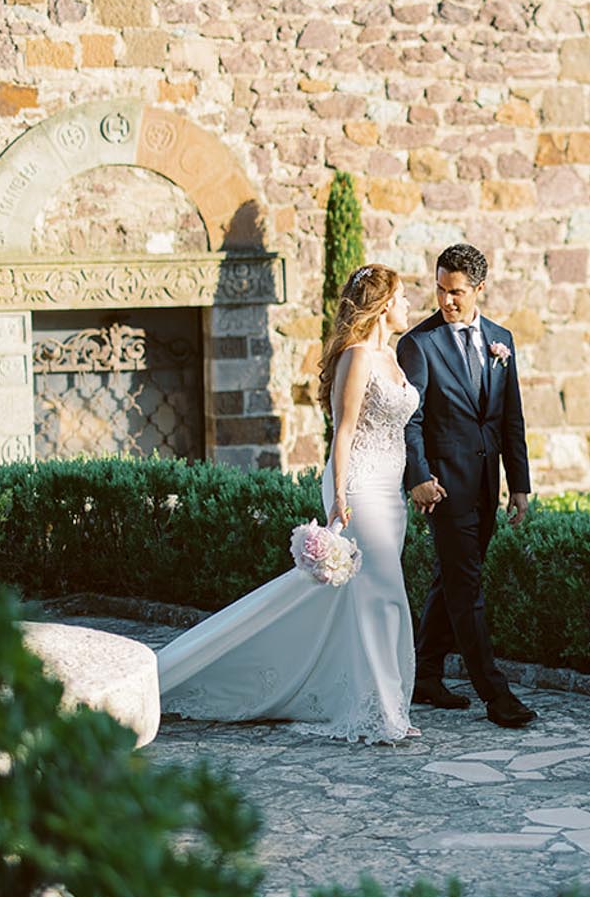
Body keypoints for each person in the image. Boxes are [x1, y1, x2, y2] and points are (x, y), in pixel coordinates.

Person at [154, 264, 419, 742]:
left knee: (367, 598)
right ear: (382, 306)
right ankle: (383, 708)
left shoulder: (393, 357)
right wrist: (339, 493)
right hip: (358, 488)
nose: (407, 306)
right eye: (401, 298)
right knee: (384, 595)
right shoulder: (357, 357)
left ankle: (374, 697)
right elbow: (343, 429)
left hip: (391, 492)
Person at [398, 243, 538, 729]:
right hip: (444, 488)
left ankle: (425, 675)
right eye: (439, 288)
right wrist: (417, 476)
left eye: (456, 291)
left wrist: (518, 484)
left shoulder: (502, 340)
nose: (446, 300)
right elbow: (409, 420)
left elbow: (511, 419)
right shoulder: (418, 344)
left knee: (451, 579)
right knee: (466, 588)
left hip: (487, 485)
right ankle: (495, 695)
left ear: (479, 289)